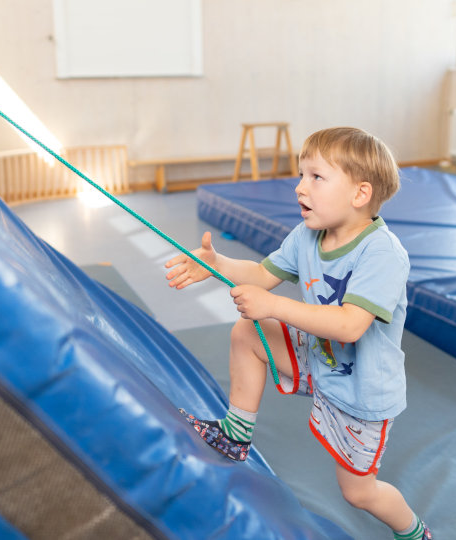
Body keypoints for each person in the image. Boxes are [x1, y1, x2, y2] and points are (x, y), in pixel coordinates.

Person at [165, 127, 431, 540]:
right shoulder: (308, 235)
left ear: (360, 194)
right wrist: (215, 263)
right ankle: (236, 434)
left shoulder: (383, 253)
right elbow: (260, 274)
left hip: (362, 391)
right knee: (249, 332)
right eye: (301, 175)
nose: (299, 188)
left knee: (359, 493)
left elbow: (350, 324)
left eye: (316, 177)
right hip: (319, 358)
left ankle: (415, 533)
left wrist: (273, 306)